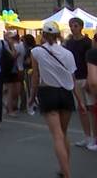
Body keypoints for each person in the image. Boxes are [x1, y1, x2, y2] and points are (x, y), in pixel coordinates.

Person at [30, 21, 79, 177]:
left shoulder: (36, 52)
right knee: (63, 134)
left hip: (48, 93)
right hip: (66, 94)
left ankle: (67, 173)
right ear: (58, 36)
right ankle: (64, 169)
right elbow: (72, 79)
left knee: (57, 135)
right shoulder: (68, 54)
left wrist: (31, 97)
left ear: (43, 35)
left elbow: (35, 77)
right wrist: (81, 101)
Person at [63, 17, 95, 150]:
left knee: (92, 109)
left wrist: (89, 78)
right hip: (74, 79)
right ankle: (87, 137)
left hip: (86, 77)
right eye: (71, 26)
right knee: (82, 109)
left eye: (75, 26)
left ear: (81, 27)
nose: (73, 28)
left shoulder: (88, 42)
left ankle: (94, 138)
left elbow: (91, 61)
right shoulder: (69, 43)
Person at [6, 31, 25, 117]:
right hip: (19, 68)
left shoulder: (16, 46)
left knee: (13, 90)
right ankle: (15, 105)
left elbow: (13, 57)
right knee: (18, 89)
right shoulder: (21, 45)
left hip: (15, 69)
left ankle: (12, 106)